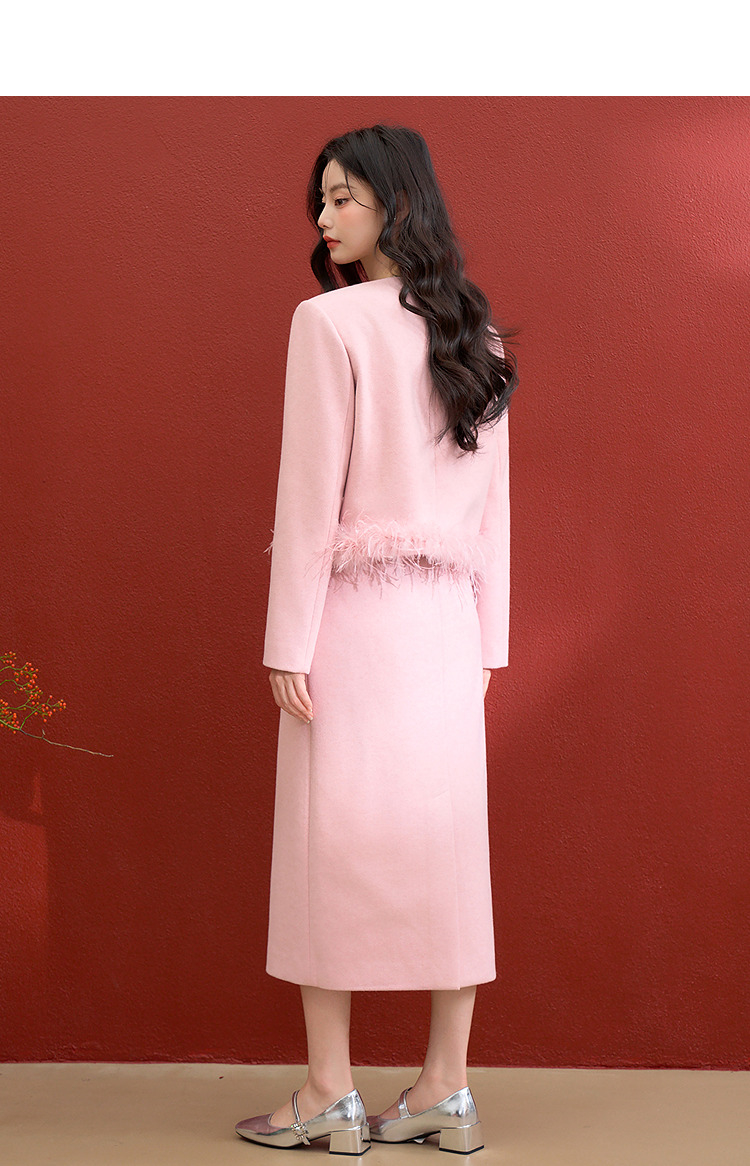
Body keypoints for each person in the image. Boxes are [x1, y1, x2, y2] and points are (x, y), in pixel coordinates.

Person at [235, 123, 518, 1154]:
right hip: (445, 628)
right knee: (449, 849)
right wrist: (488, 645)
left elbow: (309, 497)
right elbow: (492, 514)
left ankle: (329, 1089)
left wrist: (287, 637)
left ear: (397, 203)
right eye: (321, 200)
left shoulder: (327, 322)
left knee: (330, 845)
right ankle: (447, 1088)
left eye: (342, 197)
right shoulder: (477, 335)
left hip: (351, 621)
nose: (324, 217)